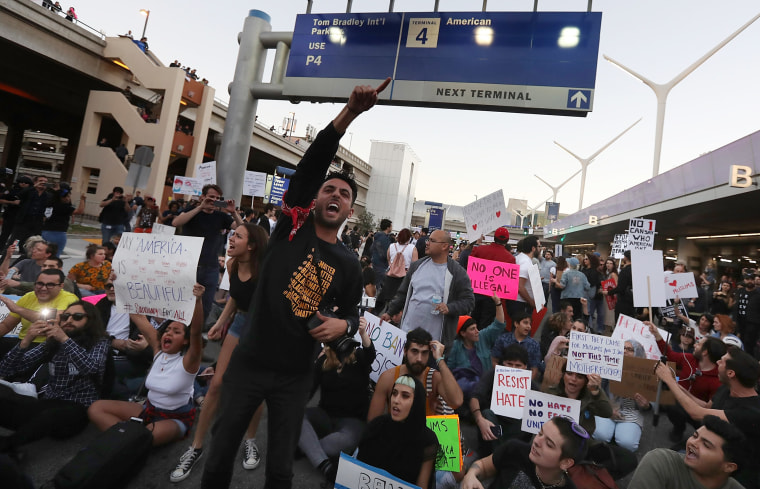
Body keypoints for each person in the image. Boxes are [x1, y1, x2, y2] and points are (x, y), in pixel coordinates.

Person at [200, 80, 385, 489]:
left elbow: (354, 315)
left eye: (344, 194)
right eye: (329, 189)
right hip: (249, 362)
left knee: (280, 468)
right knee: (220, 454)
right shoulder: (292, 226)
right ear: (314, 200)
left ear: (350, 211)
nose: (335, 194)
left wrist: (346, 327)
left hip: (296, 376)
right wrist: (350, 113)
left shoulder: (350, 264)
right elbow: (315, 159)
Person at [169, 223, 268, 482]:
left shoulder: (265, 270)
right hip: (239, 324)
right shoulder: (233, 265)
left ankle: (250, 440)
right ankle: (196, 447)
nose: (231, 239)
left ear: (252, 245)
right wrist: (221, 323)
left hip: (262, 331)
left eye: (238, 236)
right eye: (232, 234)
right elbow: (235, 298)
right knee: (216, 385)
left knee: (254, 389)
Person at [88, 284, 205, 447]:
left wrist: (198, 300)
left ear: (186, 340)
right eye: (167, 330)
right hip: (148, 410)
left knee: (141, 438)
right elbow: (138, 317)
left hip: (174, 418)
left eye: (176, 332)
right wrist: (120, 283)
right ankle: (125, 440)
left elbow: (196, 332)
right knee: (96, 408)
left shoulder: (189, 361)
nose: (169, 333)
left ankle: (125, 440)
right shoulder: (158, 351)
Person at [0, 301, 109, 456]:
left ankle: (8, 446)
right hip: (48, 402)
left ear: (90, 320)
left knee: (50, 416)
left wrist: (64, 339)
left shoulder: (100, 342)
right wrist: (26, 341)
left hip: (77, 408)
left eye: (77, 317)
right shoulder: (53, 342)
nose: (69, 321)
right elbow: (7, 369)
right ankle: (20, 440)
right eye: (65, 317)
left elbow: (90, 368)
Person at [655, 345, 760, 487]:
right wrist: (676, 384)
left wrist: (669, 380)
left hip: (732, 472)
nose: (717, 362)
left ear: (731, 373)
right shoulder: (726, 388)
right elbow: (705, 407)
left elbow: (697, 413)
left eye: (722, 361)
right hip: (710, 448)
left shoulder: (751, 412)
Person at [298, 316, 375, 485]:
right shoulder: (324, 361)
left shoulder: (358, 357)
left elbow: (371, 354)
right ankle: (325, 465)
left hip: (352, 421)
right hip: (325, 415)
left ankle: (307, 446)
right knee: (295, 417)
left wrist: (363, 333)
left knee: (344, 441)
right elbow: (308, 392)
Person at [382, 229, 475, 345]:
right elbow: (403, 293)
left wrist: (450, 308)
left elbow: (469, 302)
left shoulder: (457, 272)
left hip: (435, 342)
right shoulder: (417, 266)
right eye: (428, 240)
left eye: (432, 240)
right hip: (407, 334)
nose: (427, 243)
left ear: (444, 246)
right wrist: (390, 312)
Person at [172, 184, 243, 321]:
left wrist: (233, 212)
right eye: (211, 197)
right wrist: (200, 207)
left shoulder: (221, 216)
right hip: (188, 266)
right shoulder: (192, 210)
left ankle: (197, 336)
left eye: (217, 198)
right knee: (182, 304)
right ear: (202, 197)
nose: (213, 200)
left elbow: (242, 228)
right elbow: (176, 222)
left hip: (210, 267)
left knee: (205, 307)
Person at [357, 375, 439, 489]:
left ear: (417, 402)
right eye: (394, 393)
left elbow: (422, 485)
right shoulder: (375, 427)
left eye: (405, 396)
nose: (396, 400)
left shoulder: (428, 440)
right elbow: (357, 474)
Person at [461, 416, 588, 489]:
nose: (537, 441)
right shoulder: (516, 450)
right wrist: (471, 475)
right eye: (540, 433)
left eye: (549, 444)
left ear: (566, 462)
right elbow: (483, 466)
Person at [368, 327, 463, 420]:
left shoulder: (434, 378)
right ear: (405, 351)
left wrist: (440, 359)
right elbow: (373, 422)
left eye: (424, 353)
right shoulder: (388, 378)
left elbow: (456, 401)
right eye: (414, 351)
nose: (419, 359)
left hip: (426, 433)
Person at [628, 415, 746, 489]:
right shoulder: (660, 462)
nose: (693, 443)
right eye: (694, 436)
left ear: (729, 467)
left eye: (706, 445)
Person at [471, 344, 535, 454]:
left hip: (515, 430)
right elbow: (475, 397)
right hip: (493, 425)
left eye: (518, 365)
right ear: (502, 364)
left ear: (525, 367)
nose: (513, 369)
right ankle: (497, 458)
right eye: (509, 364)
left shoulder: (530, 384)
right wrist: (479, 419)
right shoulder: (492, 375)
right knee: (487, 413)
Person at [0, 269, 79, 355]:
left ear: (61, 286)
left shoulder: (69, 298)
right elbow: (6, 325)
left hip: (50, 345)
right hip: (24, 341)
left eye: (50, 285)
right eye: (40, 284)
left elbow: (51, 321)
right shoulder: (28, 297)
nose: (43, 288)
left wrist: (17, 309)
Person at [592, 339, 651, 452]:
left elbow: (651, 403)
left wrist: (646, 405)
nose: (624, 351)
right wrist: (608, 408)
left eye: (629, 349)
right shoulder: (610, 364)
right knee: (600, 435)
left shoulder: (647, 373)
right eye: (623, 348)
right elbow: (601, 391)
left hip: (632, 412)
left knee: (628, 444)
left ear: (638, 353)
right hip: (609, 406)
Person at [446, 293, 505, 399]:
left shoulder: (483, 337)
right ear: (463, 333)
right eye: (472, 329)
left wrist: (498, 303)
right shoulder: (455, 347)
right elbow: (449, 372)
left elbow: (498, 324)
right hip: (463, 393)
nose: (477, 331)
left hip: (484, 391)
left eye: (476, 327)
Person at [469, 228, 514, 328]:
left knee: (472, 321)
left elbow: (470, 265)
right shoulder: (510, 258)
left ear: (494, 238)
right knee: (486, 325)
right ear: (507, 241)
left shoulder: (479, 249)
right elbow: (508, 282)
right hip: (494, 297)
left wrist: (477, 244)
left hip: (476, 293)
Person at [490, 310, 542, 379]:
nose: (528, 327)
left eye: (530, 324)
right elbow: (494, 360)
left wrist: (526, 384)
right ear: (516, 324)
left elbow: (534, 368)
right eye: (525, 323)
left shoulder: (534, 345)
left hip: (522, 380)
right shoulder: (503, 339)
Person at [376, 228, 418, 311]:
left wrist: (393, 267)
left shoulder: (392, 246)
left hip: (390, 277)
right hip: (404, 277)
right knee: (399, 300)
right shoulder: (412, 248)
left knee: (387, 298)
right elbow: (415, 265)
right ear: (409, 238)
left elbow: (388, 258)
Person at [41, 188, 86, 257]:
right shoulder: (64, 207)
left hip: (45, 231)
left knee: (44, 253)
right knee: (55, 254)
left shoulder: (50, 205)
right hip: (58, 233)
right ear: (61, 197)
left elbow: (44, 218)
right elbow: (80, 211)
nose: (68, 198)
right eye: (67, 196)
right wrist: (82, 199)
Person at [508, 235, 541, 318]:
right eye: (539, 246)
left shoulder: (518, 258)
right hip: (520, 303)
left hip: (516, 302)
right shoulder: (526, 263)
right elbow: (520, 287)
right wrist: (531, 302)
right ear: (533, 248)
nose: (540, 249)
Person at [603, 250, 633, 322]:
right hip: (632, 300)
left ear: (625, 258)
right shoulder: (636, 270)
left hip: (623, 300)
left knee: (620, 321)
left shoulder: (625, 271)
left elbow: (620, 287)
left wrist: (608, 292)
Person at [371, 218, 393, 287]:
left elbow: (371, 249)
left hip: (375, 263)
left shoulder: (377, 236)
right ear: (387, 227)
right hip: (382, 265)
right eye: (391, 226)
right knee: (380, 287)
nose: (392, 228)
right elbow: (386, 252)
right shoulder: (384, 238)